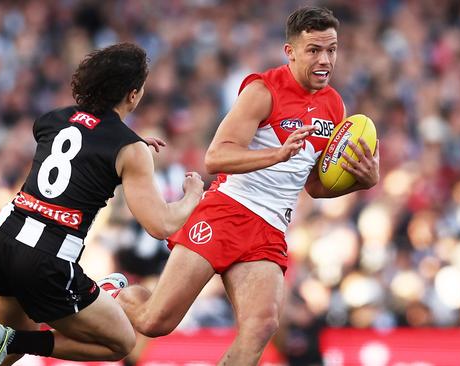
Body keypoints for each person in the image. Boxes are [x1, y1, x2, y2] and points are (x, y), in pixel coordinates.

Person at [112, 6, 380, 366]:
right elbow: (216, 157)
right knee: (154, 322)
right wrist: (277, 154)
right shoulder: (262, 90)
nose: (325, 60)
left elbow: (315, 185)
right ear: (291, 52)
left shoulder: (334, 105)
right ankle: (111, 293)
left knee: (262, 325)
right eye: (314, 50)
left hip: (271, 228)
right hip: (228, 210)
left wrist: (361, 181)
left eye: (331, 49)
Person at [0, 43, 204, 366]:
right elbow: (160, 224)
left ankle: (20, 335)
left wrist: (130, 146)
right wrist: (192, 193)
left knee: (5, 351)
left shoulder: (51, 119)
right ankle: (84, 303)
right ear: (133, 95)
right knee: (120, 343)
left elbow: (83, 144)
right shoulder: (129, 149)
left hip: (3, 239)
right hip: (46, 259)